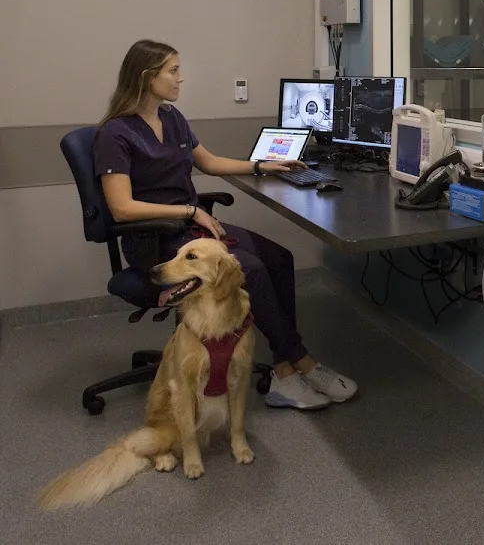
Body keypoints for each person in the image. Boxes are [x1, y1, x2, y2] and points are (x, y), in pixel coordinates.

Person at [94, 40, 357, 411]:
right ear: (147, 77)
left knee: (278, 258)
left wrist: (262, 165)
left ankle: (285, 367)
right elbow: (121, 209)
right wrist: (188, 211)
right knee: (246, 268)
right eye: (172, 71)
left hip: (192, 232)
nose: (180, 78)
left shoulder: (171, 118)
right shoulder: (114, 134)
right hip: (154, 241)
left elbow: (210, 161)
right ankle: (300, 363)